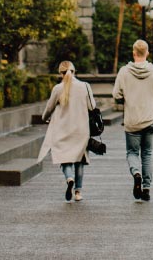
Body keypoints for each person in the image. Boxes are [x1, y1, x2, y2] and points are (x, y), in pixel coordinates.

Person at [114, 39, 153, 201]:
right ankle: (146, 188)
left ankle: (136, 173)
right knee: (147, 154)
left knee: (132, 152)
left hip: (132, 120)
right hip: (150, 119)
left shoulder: (124, 72)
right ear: (147, 53)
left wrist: (127, 99)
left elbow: (116, 94)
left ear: (133, 53)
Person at [40, 60, 96, 202]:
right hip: (81, 129)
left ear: (61, 73)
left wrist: (44, 118)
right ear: (74, 71)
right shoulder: (85, 86)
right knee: (80, 160)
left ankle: (69, 178)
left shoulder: (58, 89)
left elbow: (49, 108)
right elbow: (92, 106)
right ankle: (78, 192)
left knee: (65, 159)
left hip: (63, 129)